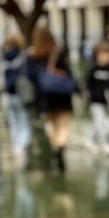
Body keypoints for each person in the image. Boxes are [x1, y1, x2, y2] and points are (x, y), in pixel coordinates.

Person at [26, 24, 75, 174]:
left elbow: (30, 76)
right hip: (62, 95)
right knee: (64, 124)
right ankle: (61, 148)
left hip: (46, 96)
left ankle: (55, 147)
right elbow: (68, 72)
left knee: (52, 124)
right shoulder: (59, 51)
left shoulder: (33, 55)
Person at [2, 33, 34, 170]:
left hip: (9, 94)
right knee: (24, 120)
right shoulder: (24, 57)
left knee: (14, 120)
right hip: (22, 94)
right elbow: (30, 75)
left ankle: (16, 144)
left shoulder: (5, 57)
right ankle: (23, 144)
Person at [86, 41, 109, 156]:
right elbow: (88, 85)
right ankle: (104, 143)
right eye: (103, 54)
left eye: (108, 54)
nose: (106, 57)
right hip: (96, 101)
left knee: (107, 122)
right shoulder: (93, 69)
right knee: (99, 121)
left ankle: (92, 139)